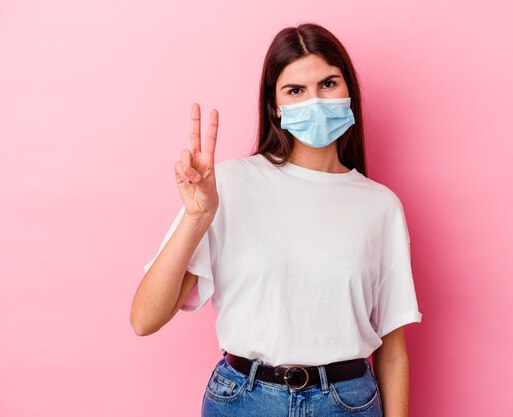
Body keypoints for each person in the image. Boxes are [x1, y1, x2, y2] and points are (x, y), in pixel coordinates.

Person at [130, 22, 423, 417]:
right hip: (244, 400)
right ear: (275, 105)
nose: (315, 101)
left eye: (328, 84)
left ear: (348, 90)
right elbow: (145, 319)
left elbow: (392, 350)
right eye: (296, 91)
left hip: (347, 404)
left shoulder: (380, 207)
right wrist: (197, 217)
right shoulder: (228, 185)